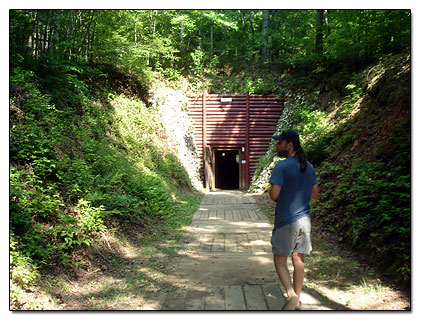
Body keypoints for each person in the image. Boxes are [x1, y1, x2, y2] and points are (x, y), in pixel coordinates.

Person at [268, 130, 318, 310]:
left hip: (286, 221)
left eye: (279, 142)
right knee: (298, 259)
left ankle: (290, 294)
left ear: (289, 145)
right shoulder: (309, 166)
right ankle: (298, 301)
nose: (277, 145)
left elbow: (274, 195)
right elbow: (315, 193)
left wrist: (279, 193)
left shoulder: (282, 167)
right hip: (304, 220)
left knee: (280, 260)